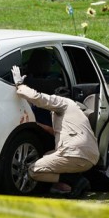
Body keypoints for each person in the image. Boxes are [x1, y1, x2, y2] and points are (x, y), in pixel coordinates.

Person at [11, 65, 99, 199]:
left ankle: (74, 181)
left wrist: (19, 84)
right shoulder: (76, 110)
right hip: (91, 157)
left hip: (74, 153)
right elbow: (55, 132)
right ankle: (75, 181)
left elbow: (38, 98)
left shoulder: (62, 102)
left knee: (34, 170)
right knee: (48, 155)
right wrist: (35, 124)